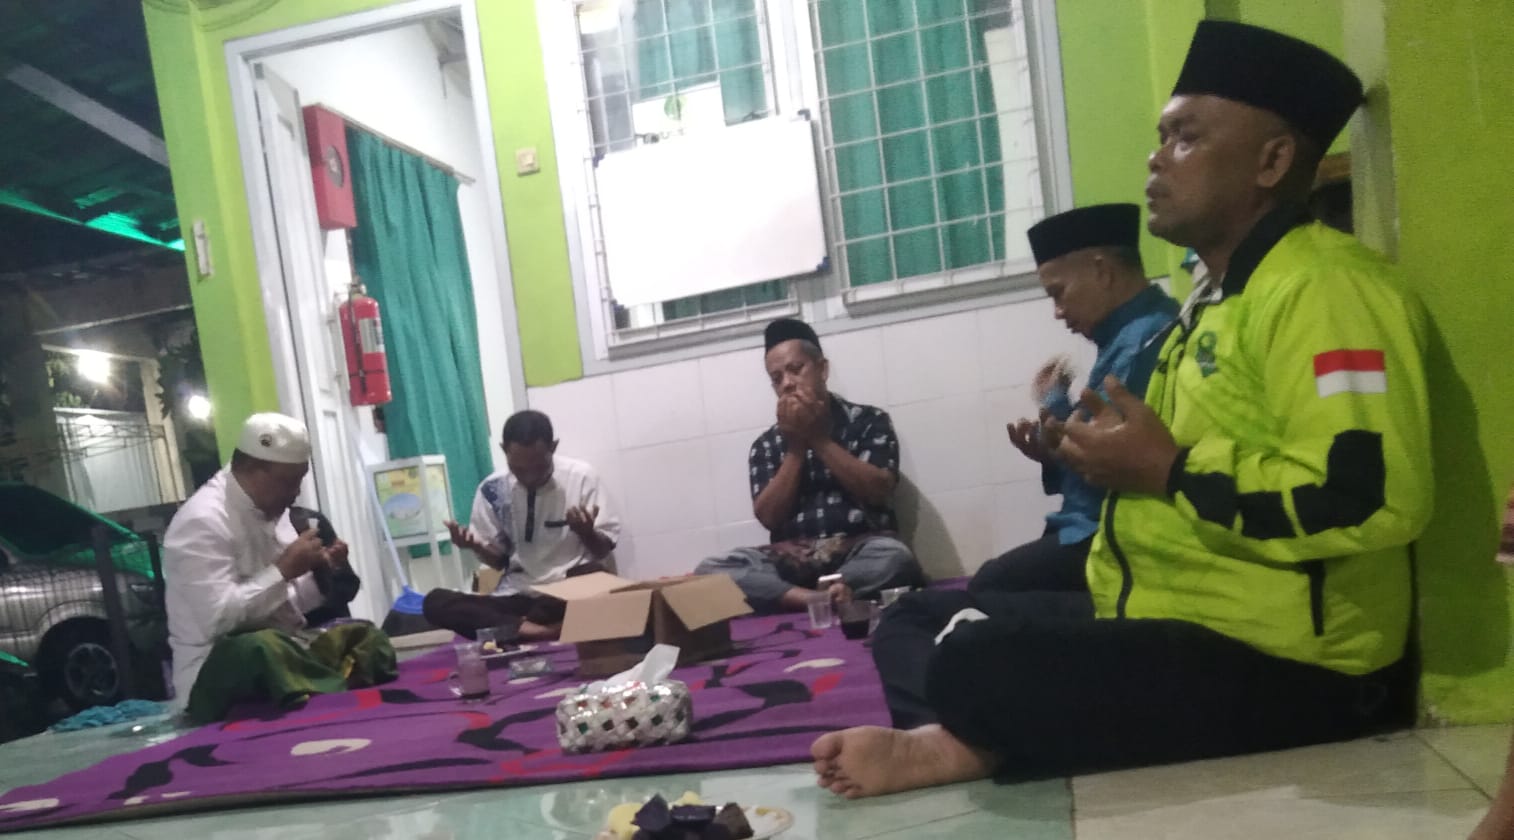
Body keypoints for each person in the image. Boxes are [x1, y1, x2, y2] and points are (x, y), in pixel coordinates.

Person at [812, 21, 1432, 798]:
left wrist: (1169, 470)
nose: (1156, 158)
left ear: (1271, 161)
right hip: (1166, 610)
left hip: (1298, 663)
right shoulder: (1213, 305)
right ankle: (979, 735)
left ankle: (966, 737)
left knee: (974, 659)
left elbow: (1370, 497)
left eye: (1185, 138)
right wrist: (1116, 459)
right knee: (911, 619)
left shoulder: (1328, 291)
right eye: (1161, 137)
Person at [972, 204, 1177, 596]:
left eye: (1058, 293)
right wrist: (1052, 448)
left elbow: (1106, 458)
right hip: (1093, 528)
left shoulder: (1144, 340)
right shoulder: (1130, 335)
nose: (1057, 312)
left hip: (1110, 534)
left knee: (988, 589)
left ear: (1102, 271)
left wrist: (1056, 411)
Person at [163, 413, 390, 719]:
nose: (295, 492)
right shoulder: (202, 521)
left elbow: (284, 607)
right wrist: (282, 570)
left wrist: (320, 572)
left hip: (286, 651)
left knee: (364, 636)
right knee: (261, 647)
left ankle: (318, 687)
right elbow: (216, 620)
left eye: (299, 480)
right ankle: (325, 686)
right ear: (253, 470)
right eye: (289, 481)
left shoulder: (273, 509)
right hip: (215, 671)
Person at [695, 318, 923, 612]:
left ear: (822, 369)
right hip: (792, 560)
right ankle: (817, 599)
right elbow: (769, 518)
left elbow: (879, 491)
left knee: (896, 557)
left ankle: (814, 593)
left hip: (859, 550)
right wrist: (796, 448)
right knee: (711, 570)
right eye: (777, 378)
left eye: (795, 369)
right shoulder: (766, 444)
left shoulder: (869, 421)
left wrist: (818, 439)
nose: (787, 383)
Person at [422, 410, 620, 641]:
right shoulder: (492, 489)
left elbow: (603, 550)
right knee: (435, 602)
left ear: (553, 447)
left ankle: (515, 629)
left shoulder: (582, 478)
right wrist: (474, 546)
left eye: (538, 468)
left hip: (565, 592)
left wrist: (586, 533)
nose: (529, 477)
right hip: (518, 594)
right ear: (504, 450)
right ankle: (542, 631)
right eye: (519, 469)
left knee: (598, 581)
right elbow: (498, 562)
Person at [289, 506, 362, 627]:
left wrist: (335, 566)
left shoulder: (311, 521)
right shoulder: (256, 535)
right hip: (282, 631)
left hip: (331, 626)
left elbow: (349, 587)